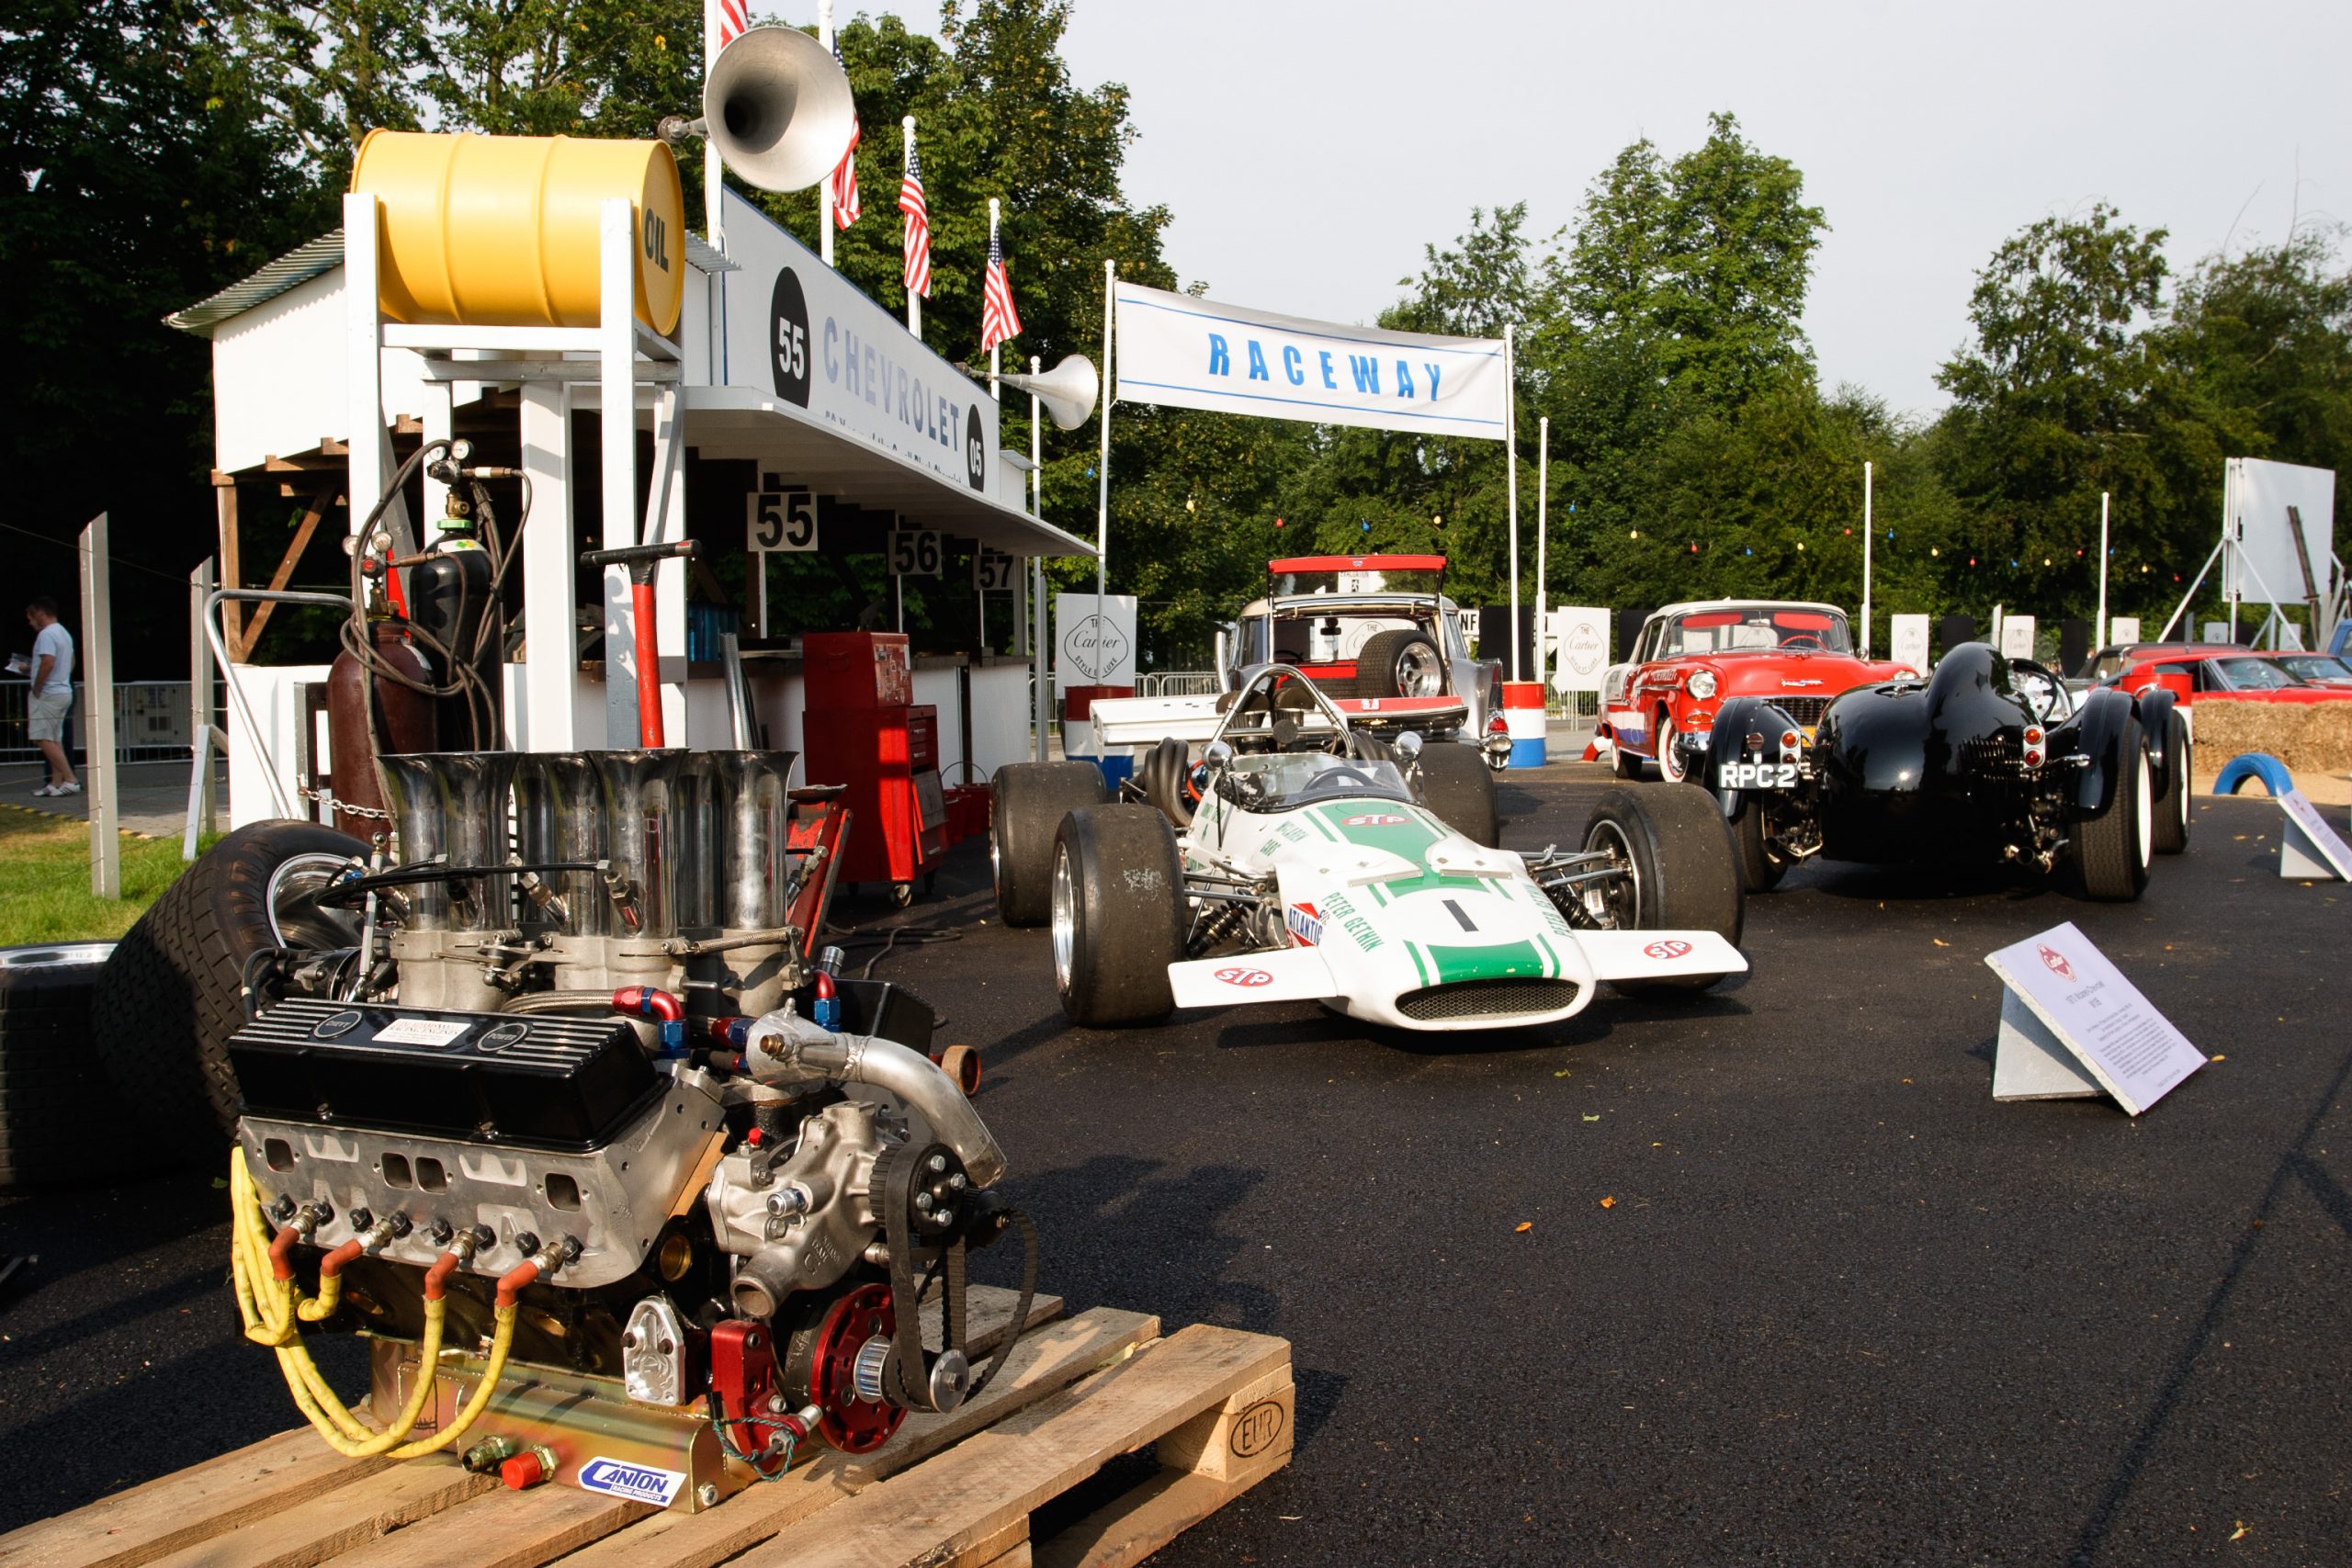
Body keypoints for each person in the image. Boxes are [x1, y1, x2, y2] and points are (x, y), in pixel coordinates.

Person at [24, 596, 79, 795]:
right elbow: (70, 660)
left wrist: (37, 686)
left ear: (40, 613)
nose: (30, 623)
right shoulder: (63, 632)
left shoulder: (46, 635)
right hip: (63, 690)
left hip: (48, 693)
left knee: (42, 738)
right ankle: (55, 784)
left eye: (30, 618)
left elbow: (48, 662)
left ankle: (70, 779)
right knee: (54, 739)